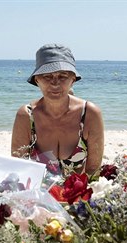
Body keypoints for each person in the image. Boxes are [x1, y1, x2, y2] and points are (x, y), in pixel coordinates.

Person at [11, 44, 104, 176]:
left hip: (79, 194)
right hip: (36, 195)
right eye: (47, 76)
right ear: (37, 80)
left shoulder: (90, 114)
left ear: (73, 80)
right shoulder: (26, 116)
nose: (55, 83)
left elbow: (93, 171)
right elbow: (19, 169)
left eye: (63, 76)